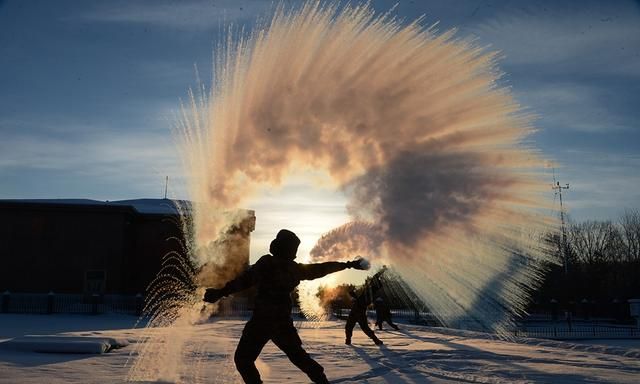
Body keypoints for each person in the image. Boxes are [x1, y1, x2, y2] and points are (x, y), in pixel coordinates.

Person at [203, 229, 369, 384]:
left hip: (262, 321)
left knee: (243, 360)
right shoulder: (295, 269)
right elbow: (321, 268)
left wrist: (221, 292)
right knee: (298, 357)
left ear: (277, 246)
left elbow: (245, 280)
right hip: (282, 322)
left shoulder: (267, 262)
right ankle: (321, 380)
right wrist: (349, 264)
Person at [344, 269, 386, 346]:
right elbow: (375, 277)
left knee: (362, 328)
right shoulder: (370, 291)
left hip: (359, 312)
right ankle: (348, 340)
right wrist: (382, 270)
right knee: (350, 326)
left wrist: (353, 294)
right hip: (356, 310)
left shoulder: (370, 293)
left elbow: (360, 300)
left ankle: (376, 340)